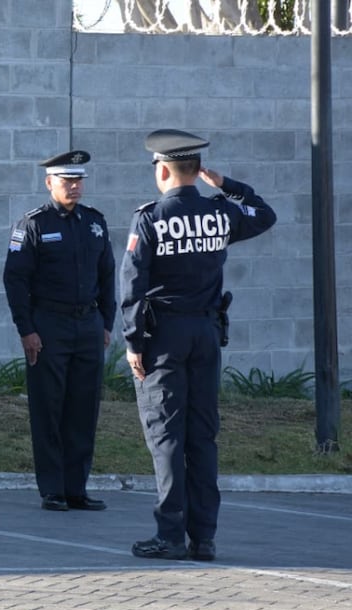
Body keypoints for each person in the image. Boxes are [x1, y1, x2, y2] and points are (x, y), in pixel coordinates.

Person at [121, 129, 277, 560]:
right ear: (197, 169)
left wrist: (133, 341)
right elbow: (265, 215)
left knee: (167, 435)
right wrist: (228, 185)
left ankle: (170, 535)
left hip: (163, 339)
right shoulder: (219, 213)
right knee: (203, 436)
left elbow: (132, 285)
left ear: (163, 170)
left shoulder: (149, 218)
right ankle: (204, 537)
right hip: (206, 335)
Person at [2, 151, 116, 512]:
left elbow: (107, 275)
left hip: (88, 324)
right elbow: (15, 279)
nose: (74, 187)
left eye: (78, 180)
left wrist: (107, 323)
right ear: (49, 182)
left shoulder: (94, 222)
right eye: (67, 181)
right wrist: (26, 329)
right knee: (49, 408)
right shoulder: (32, 224)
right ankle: (53, 488)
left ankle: (76, 488)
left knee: (83, 409)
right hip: (49, 326)